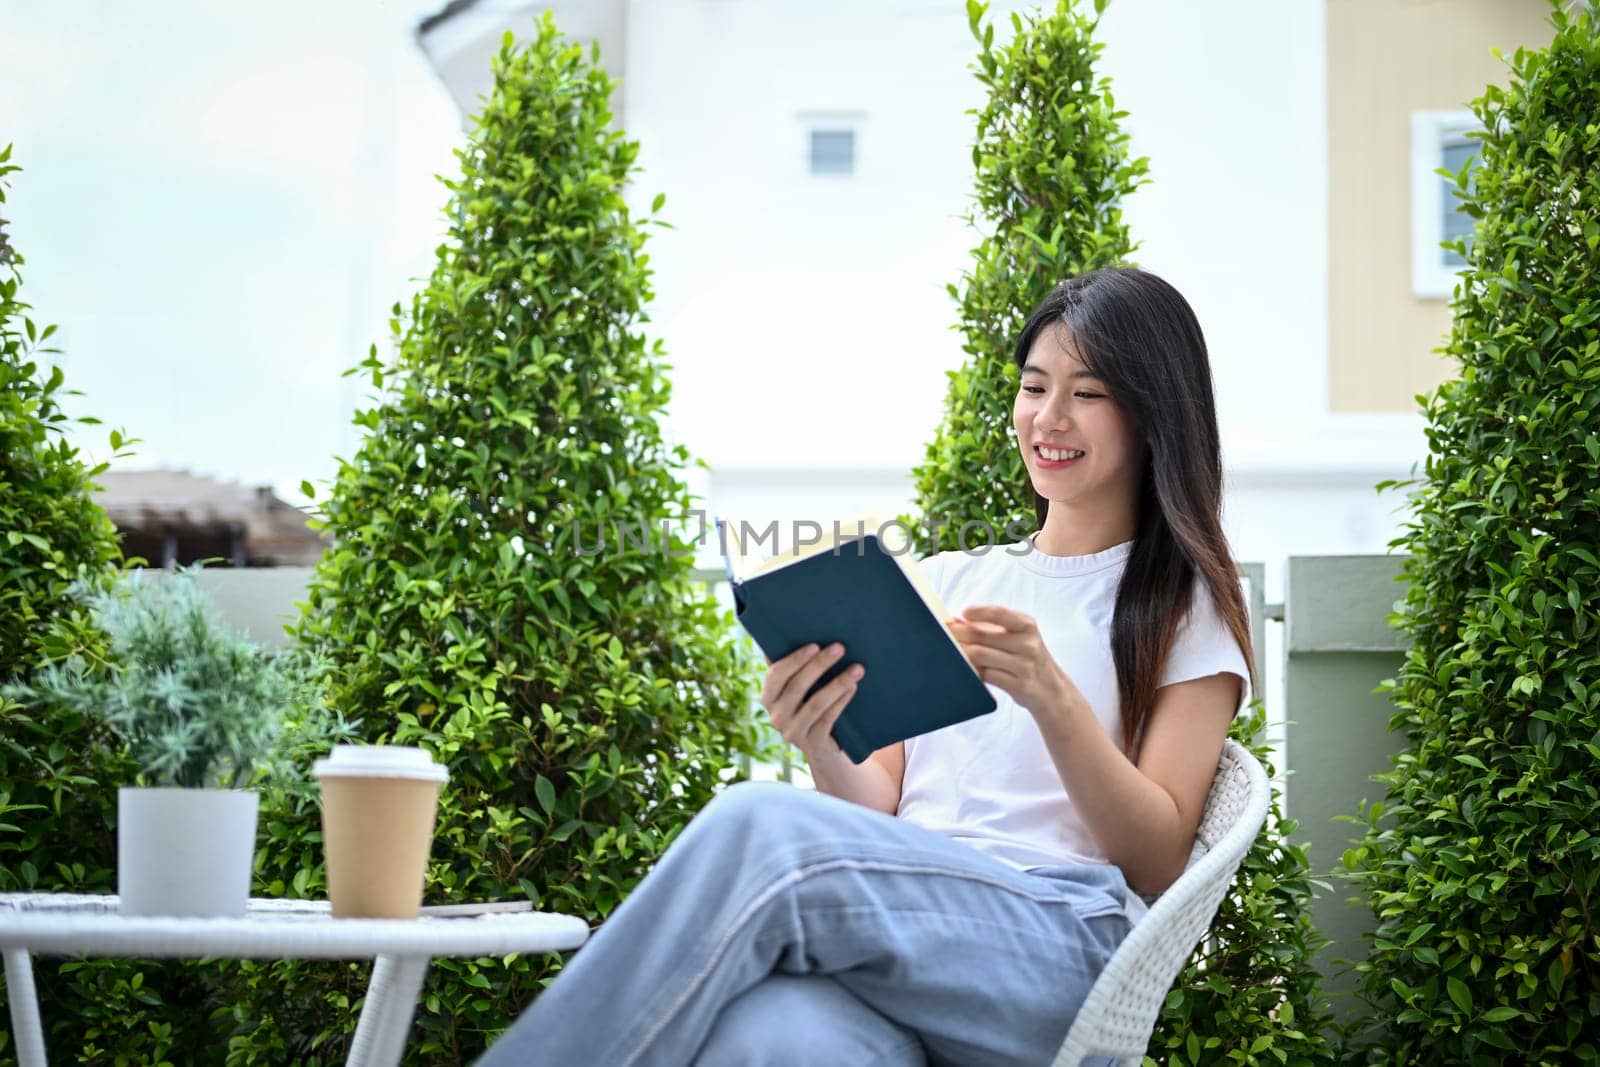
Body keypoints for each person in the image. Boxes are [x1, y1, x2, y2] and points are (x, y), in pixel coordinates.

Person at [478, 267, 1254, 1066]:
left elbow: (1160, 858)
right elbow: (878, 807)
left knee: (758, 824)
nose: (1048, 418)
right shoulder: (952, 580)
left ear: (1153, 413)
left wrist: (1052, 697)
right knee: (776, 1034)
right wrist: (822, 733)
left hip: (1059, 951)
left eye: (1087, 394)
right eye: (1033, 386)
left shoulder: (1182, 605)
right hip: (906, 929)